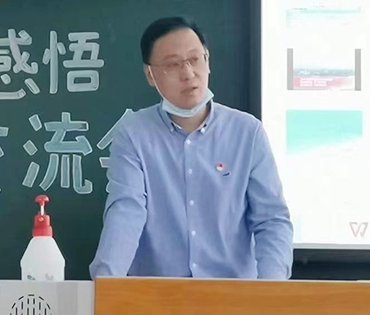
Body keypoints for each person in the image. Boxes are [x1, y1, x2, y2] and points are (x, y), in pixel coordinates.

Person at [89, 17, 293, 280]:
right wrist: (107, 285)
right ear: (150, 75)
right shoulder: (133, 134)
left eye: (195, 59)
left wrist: (272, 290)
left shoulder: (247, 132)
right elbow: (126, 210)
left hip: (234, 294)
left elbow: (271, 220)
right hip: (158, 295)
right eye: (173, 64)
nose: (188, 73)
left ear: (207, 61)